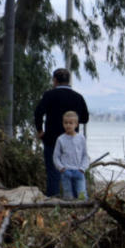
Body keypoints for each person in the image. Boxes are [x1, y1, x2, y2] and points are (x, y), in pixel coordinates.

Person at [34, 68, 89, 197]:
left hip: (52, 138)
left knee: (53, 173)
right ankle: (77, 199)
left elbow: (38, 113)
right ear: (68, 80)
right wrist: (73, 122)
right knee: (75, 171)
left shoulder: (49, 95)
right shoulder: (78, 97)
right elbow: (85, 118)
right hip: (73, 141)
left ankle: (54, 199)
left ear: (55, 81)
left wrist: (40, 130)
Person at [52, 111, 90, 200]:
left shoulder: (81, 138)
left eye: (71, 123)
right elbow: (56, 157)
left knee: (82, 196)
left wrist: (82, 169)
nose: (68, 125)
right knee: (68, 196)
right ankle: (70, 211)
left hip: (79, 171)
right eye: (66, 123)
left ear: (76, 124)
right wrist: (61, 168)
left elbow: (85, 155)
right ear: (63, 124)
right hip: (66, 172)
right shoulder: (60, 139)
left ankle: (83, 210)